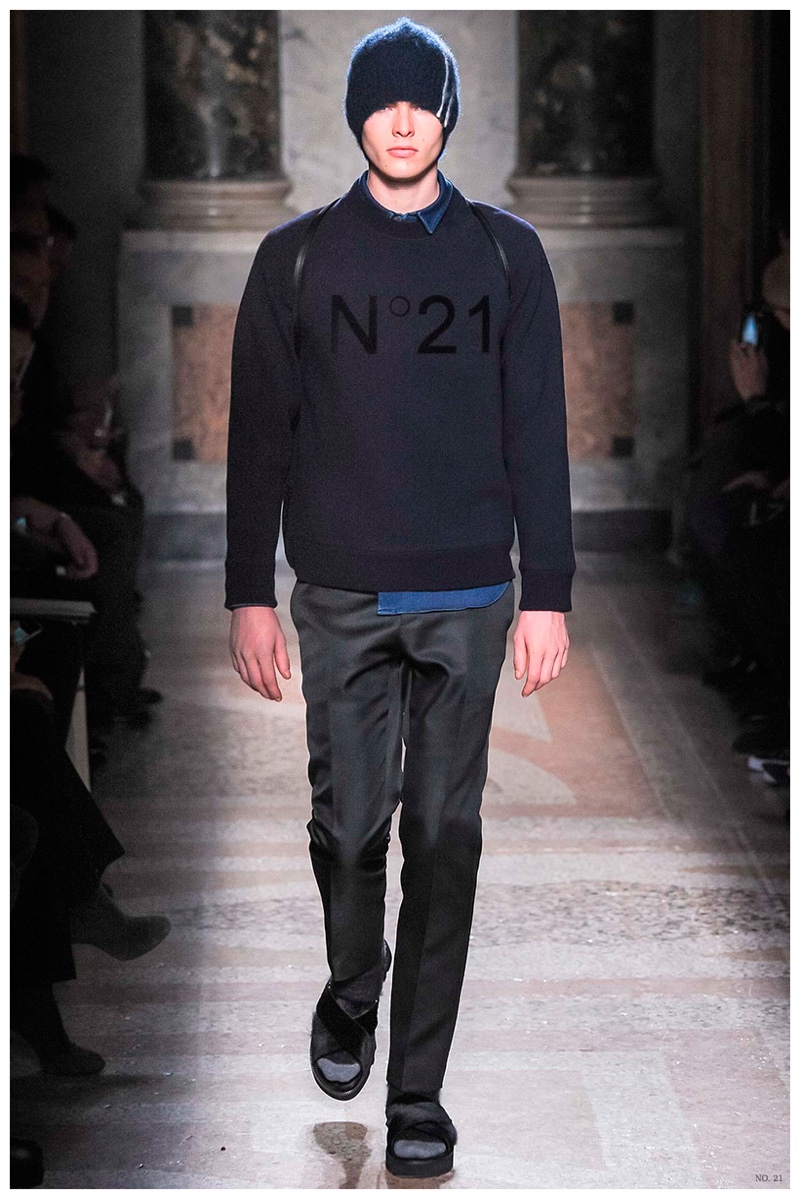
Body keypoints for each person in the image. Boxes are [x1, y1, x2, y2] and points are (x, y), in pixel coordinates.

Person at [225, 18, 574, 1179]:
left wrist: (546, 591)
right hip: (339, 589)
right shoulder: (295, 259)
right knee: (347, 827)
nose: (402, 118)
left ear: (446, 113)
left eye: (421, 99)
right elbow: (258, 437)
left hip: (470, 589)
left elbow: (536, 429)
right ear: (357, 117)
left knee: (444, 835)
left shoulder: (506, 255)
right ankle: (350, 984)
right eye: (382, 100)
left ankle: (417, 1093)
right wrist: (247, 591)